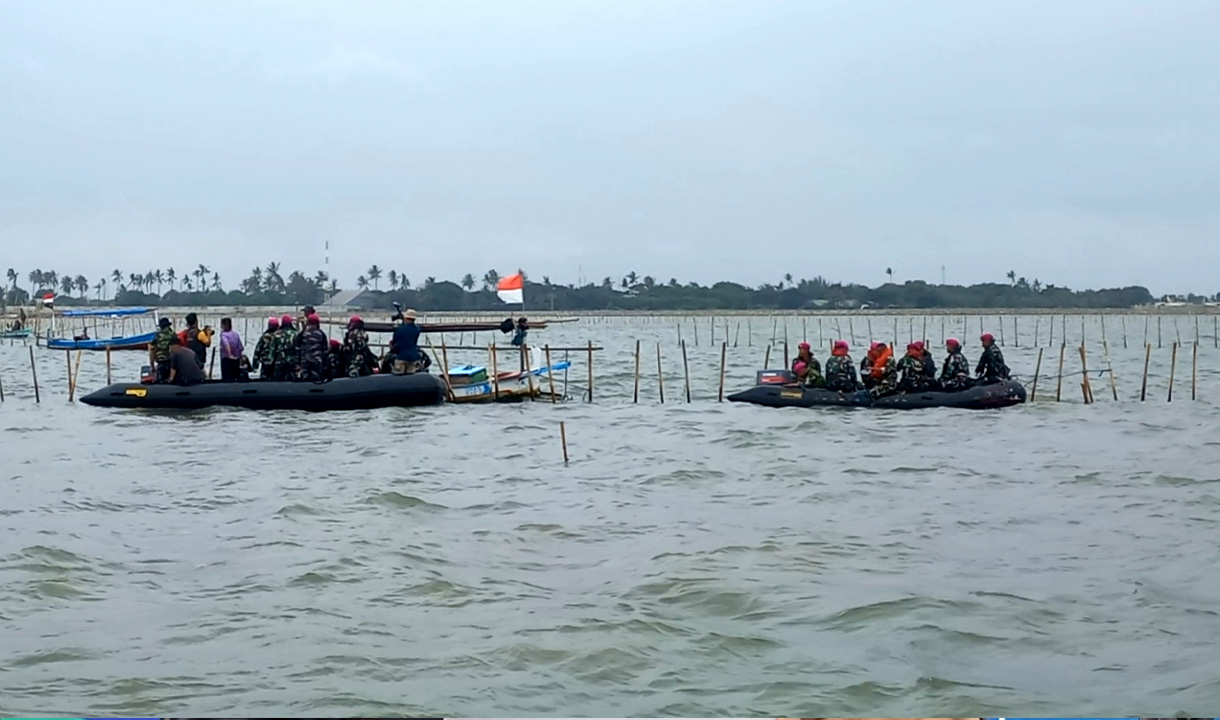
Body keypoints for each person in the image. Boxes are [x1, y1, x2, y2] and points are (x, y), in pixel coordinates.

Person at [295, 313, 329, 381]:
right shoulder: (321, 334)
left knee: (305, 379)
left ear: (308, 323)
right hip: (317, 360)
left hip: (305, 360)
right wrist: (325, 365)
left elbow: (297, 348)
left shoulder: (303, 334)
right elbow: (325, 351)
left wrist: (297, 363)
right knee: (317, 378)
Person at [389, 308, 422, 374]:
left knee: (398, 375)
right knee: (410, 377)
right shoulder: (417, 330)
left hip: (401, 357)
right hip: (412, 357)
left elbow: (395, 341)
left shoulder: (399, 329)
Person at [149, 317, 175, 383]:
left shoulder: (156, 336)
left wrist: (152, 366)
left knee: (160, 382)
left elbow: (151, 352)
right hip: (172, 364)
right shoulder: (173, 335)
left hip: (160, 363)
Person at [273, 314, 298, 381]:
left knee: (278, 380)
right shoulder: (295, 333)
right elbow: (298, 348)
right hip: (292, 361)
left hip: (279, 360)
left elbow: (272, 349)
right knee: (292, 379)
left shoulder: (277, 334)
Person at [218, 318, 244, 382]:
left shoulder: (223, 335)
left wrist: (230, 355)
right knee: (236, 378)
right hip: (236, 359)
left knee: (227, 380)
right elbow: (240, 347)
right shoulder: (236, 334)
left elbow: (226, 344)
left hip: (227, 360)